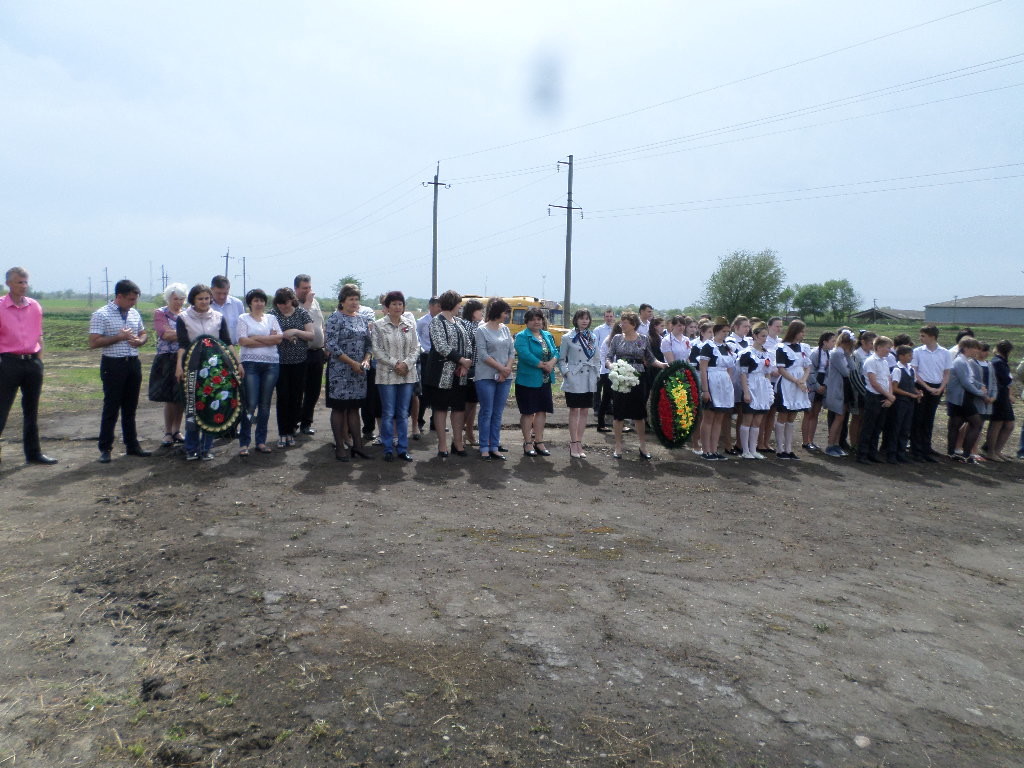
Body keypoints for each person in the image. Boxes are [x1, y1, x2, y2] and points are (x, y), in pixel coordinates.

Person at [0, 266, 57, 465]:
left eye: (26, 282)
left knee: (31, 411)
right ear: (8, 283)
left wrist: (39, 361)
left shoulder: (34, 306)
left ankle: (33, 454)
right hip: (8, 362)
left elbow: (38, 334)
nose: (24, 286)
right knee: (2, 409)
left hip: (32, 362)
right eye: (19, 282)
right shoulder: (0, 306)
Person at [89, 279, 150, 463]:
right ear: (119, 296)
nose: (133, 303)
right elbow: (94, 342)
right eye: (130, 299)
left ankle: (132, 445)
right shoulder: (101, 314)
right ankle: (105, 448)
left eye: (135, 299)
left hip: (133, 363)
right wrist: (119, 337)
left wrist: (140, 341)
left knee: (130, 407)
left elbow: (143, 333)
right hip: (113, 365)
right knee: (111, 407)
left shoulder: (134, 313)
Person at [174, 284, 235, 460]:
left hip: (215, 369)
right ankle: (191, 448)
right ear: (193, 300)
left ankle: (206, 448)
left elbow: (227, 342)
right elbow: (182, 345)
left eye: (207, 298)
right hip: (192, 367)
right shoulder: (183, 318)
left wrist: (236, 363)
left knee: (212, 405)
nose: (204, 301)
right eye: (200, 298)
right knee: (193, 407)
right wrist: (179, 366)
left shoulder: (218, 317)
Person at [606, 310, 664, 459]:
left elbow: (650, 358)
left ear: (633, 324)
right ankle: (618, 446)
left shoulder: (643, 339)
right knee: (619, 413)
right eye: (621, 322)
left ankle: (643, 446)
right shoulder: (617, 338)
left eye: (625, 322)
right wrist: (611, 366)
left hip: (638, 378)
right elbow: (609, 356)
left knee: (639, 413)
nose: (622, 325)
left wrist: (662, 365)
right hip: (621, 378)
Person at [325, 284, 372, 462]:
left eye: (356, 299)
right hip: (340, 372)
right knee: (339, 408)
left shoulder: (362, 319)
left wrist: (366, 360)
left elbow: (369, 344)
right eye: (351, 299)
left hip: (358, 372)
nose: (354, 302)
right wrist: (351, 362)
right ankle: (339, 447)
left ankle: (358, 446)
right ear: (342, 301)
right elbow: (331, 344)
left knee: (354, 408)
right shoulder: (335, 318)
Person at [370, 290, 420, 462]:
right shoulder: (379, 325)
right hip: (387, 375)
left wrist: (406, 364)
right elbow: (377, 350)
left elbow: (416, 347)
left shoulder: (410, 324)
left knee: (403, 412)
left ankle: (403, 448)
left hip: (407, 374)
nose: (397, 307)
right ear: (387, 306)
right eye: (394, 304)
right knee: (388, 412)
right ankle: (388, 448)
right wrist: (395, 363)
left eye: (400, 304)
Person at [425, 290, 473, 457]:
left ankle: (457, 443)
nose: (460, 307)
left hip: (460, 375)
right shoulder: (437, 321)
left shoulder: (459, 322)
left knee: (459, 408)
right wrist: (461, 360)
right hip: (441, 374)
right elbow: (441, 346)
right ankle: (442, 445)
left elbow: (468, 344)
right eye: (459, 304)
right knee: (441, 408)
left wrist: (465, 365)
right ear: (453, 303)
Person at [236, 288, 282, 456]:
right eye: (255, 300)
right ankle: (244, 442)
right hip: (250, 365)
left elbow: (279, 338)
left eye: (261, 300)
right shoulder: (243, 318)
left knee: (265, 404)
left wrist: (254, 338)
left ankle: (261, 441)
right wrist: (268, 340)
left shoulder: (271, 318)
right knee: (251, 403)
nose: (259, 303)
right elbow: (242, 340)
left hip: (271, 364)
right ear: (250, 303)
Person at [269, 287, 314, 448]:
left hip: (299, 362)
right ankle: (283, 432)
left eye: (286, 303)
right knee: (283, 397)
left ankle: (291, 430)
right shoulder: (272, 314)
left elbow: (311, 335)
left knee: (296, 397)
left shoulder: (302, 313)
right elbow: (269, 335)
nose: (283, 306)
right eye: (280, 303)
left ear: (292, 300)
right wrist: (283, 335)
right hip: (279, 362)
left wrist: (296, 331)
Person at [515, 307, 559, 457]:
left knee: (541, 411)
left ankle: (539, 441)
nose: (536, 322)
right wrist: (541, 365)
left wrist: (551, 363)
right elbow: (524, 354)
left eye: (539, 319)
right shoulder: (522, 336)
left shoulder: (547, 335)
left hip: (545, 380)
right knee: (528, 412)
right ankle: (527, 442)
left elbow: (556, 352)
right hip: (527, 380)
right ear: (526, 322)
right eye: (533, 319)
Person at [474, 299, 514, 461]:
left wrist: (506, 369)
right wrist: (501, 368)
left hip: (505, 377)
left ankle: (494, 446)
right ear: (497, 312)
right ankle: (484, 446)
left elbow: (511, 351)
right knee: (487, 411)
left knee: (497, 413)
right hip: (486, 376)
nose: (507, 316)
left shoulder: (505, 329)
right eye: (505, 313)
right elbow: (483, 354)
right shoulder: (482, 330)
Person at [559, 308, 601, 459]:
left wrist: (597, 373)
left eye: (587, 318)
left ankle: (579, 442)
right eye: (581, 318)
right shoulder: (567, 337)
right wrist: (567, 374)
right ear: (576, 320)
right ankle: (573, 442)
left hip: (589, 378)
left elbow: (597, 357)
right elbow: (561, 359)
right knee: (574, 410)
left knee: (584, 411)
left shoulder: (593, 337)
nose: (584, 321)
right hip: (574, 377)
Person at [150, 282, 187, 448]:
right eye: (175, 299)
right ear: (168, 298)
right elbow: (164, 334)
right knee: (169, 397)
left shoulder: (186, 314)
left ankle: (177, 430)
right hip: (166, 358)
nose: (178, 302)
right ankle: (167, 431)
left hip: (184, 357)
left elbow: (191, 333)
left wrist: (177, 334)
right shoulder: (161, 313)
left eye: (181, 299)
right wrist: (184, 334)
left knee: (180, 396)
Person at [945, 337, 990, 464]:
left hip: (961, 397)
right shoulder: (960, 362)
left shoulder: (965, 361)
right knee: (976, 423)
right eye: (975, 348)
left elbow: (970, 379)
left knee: (955, 424)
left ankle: (952, 453)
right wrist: (980, 393)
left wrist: (980, 385)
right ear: (966, 348)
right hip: (960, 397)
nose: (977, 351)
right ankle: (965, 454)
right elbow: (965, 382)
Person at [697, 318, 736, 461]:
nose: (726, 334)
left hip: (723, 385)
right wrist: (705, 390)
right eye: (723, 331)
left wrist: (728, 384)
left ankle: (714, 449)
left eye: (727, 331)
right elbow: (703, 369)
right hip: (712, 382)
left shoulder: (727, 347)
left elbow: (730, 368)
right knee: (708, 418)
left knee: (719, 418)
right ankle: (705, 449)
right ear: (716, 331)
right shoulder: (708, 346)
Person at [773, 319, 811, 460]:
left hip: (799, 384)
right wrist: (796, 381)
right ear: (794, 332)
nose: (803, 334)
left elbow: (807, 367)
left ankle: (789, 448)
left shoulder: (803, 348)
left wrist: (803, 380)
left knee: (792, 416)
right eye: (801, 332)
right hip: (787, 384)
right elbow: (781, 369)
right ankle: (780, 448)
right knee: (783, 415)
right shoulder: (781, 347)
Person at [737, 321, 775, 459]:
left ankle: (753, 449)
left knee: (757, 420)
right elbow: (743, 374)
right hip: (751, 384)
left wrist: (769, 390)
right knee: (748, 419)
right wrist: (746, 392)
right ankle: (745, 450)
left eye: (766, 336)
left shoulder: (767, 354)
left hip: (762, 387)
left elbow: (768, 373)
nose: (765, 339)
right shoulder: (747, 353)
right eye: (762, 336)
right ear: (755, 335)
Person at [294, 274, 326, 435]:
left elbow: (320, 323)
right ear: (296, 289)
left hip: (317, 352)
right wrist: (306, 303)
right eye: (304, 288)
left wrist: (325, 344)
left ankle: (306, 422)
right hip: (301, 352)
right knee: (298, 389)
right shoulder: (292, 304)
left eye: (309, 287)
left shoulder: (315, 302)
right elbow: (297, 321)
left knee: (314, 391)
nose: (308, 291)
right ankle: (293, 422)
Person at [856, 336, 894, 464]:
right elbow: (874, 382)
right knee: (869, 426)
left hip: (883, 396)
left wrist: (889, 395)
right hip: (873, 396)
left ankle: (872, 453)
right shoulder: (871, 361)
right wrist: (888, 395)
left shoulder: (884, 362)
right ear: (879, 347)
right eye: (887, 347)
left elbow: (888, 379)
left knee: (878, 426)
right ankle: (862, 454)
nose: (889, 350)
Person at [885, 344, 921, 464]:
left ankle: (901, 453)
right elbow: (895, 388)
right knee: (896, 427)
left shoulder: (910, 369)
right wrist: (910, 394)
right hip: (900, 402)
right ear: (901, 356)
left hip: (909, 402)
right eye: (909, 355)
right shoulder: (897, 369)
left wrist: (917, 392)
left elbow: (912, 385)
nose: (911, 357)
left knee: (905, 428)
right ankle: (891, 453)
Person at [802, 332, 836, 452]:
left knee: (815, 413)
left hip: (822, 383)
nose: (834, 343)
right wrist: (816, 386)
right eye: (832, 341)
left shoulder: (829, 354)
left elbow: (828, 371)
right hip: (813, 383)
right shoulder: (815, 353)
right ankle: (805, 441)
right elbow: (809, 371)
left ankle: (811, 440)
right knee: (808, 412)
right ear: (825, 342)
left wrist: (825, 385)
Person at [823, 329, 855, 457]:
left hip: (845, 388)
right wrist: (846, 358)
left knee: (842, 418)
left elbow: (853, 367)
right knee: (838, 417)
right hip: (837, 389)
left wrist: (847, 355)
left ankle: (836, 444)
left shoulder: (843, 354)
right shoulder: (836, 354)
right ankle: (830, 445)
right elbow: (846, 372)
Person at [457, 299, 484, 448]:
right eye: (480, 310)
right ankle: (460, 433)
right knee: (467, 403)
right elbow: (465, 347)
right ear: (473, 312)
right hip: (468, 367)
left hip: (476, 367)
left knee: (473, 402)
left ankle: (469, 432)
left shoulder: (476, 325)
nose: (482, 313)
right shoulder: (466, 325)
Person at [983, 340, 1015, 461]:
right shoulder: (997, 362)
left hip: (1003, 396)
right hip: (998, 396)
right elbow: (1006, 380)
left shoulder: (1000, 362)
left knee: (1009, 424)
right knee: (997, 423)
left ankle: (997, 450)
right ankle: (991, 452)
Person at [416, 297, 441, 433]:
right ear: (431, 306)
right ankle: (419, 421)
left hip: (439, 358)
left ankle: (435, 422)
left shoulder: (443, 321)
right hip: (425, 357)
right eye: (438, 306)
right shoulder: (422, 321)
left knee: (438, 390)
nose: (440, 309)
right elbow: (418, 338)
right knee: (424, 391)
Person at [593, 308, 616, 432]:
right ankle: (596, 407)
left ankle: (609, 408)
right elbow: (595, 346)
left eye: (611, 316)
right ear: (604, 317)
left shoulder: (616, 329)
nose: (609, 318)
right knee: (598, 387)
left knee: (609, 389)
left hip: (611, 363)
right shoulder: (598, 330)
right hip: (600, 361)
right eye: (607, 316)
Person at [210, 275, 245, 345]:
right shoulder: (206, 305)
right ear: (211, 289)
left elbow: (243, 327)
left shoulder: (237, 304)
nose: (222, 296)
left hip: (235, 346)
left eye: (225, 293)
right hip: (212, 347)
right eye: (218, 293)